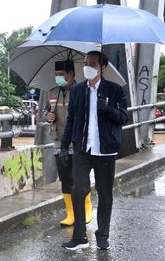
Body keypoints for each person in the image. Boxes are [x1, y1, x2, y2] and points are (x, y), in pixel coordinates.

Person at [60, 51, 128, 250]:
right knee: (78, 190)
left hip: (105, 150)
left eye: (92, 63)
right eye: (85, 63)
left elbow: (124, 118)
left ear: (102, 67)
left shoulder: (116, 90)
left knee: (105, 193)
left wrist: (108, 109)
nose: (87, 67)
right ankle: (80, 236)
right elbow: (71, 119)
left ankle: (103, 235)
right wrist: (64, 145)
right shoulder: (78, 90)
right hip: (82, 148)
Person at [43, 60, 92, 227]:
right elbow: (44, 113)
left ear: (71, 74)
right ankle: (70, 213)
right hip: (58, 142)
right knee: (65, 178)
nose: (58, 78)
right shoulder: (52, 93)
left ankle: (86, 210)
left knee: (79, 178)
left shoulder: (83, 91)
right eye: (56, 75)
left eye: (61, 75)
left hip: (77, 142)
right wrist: (48, 117)